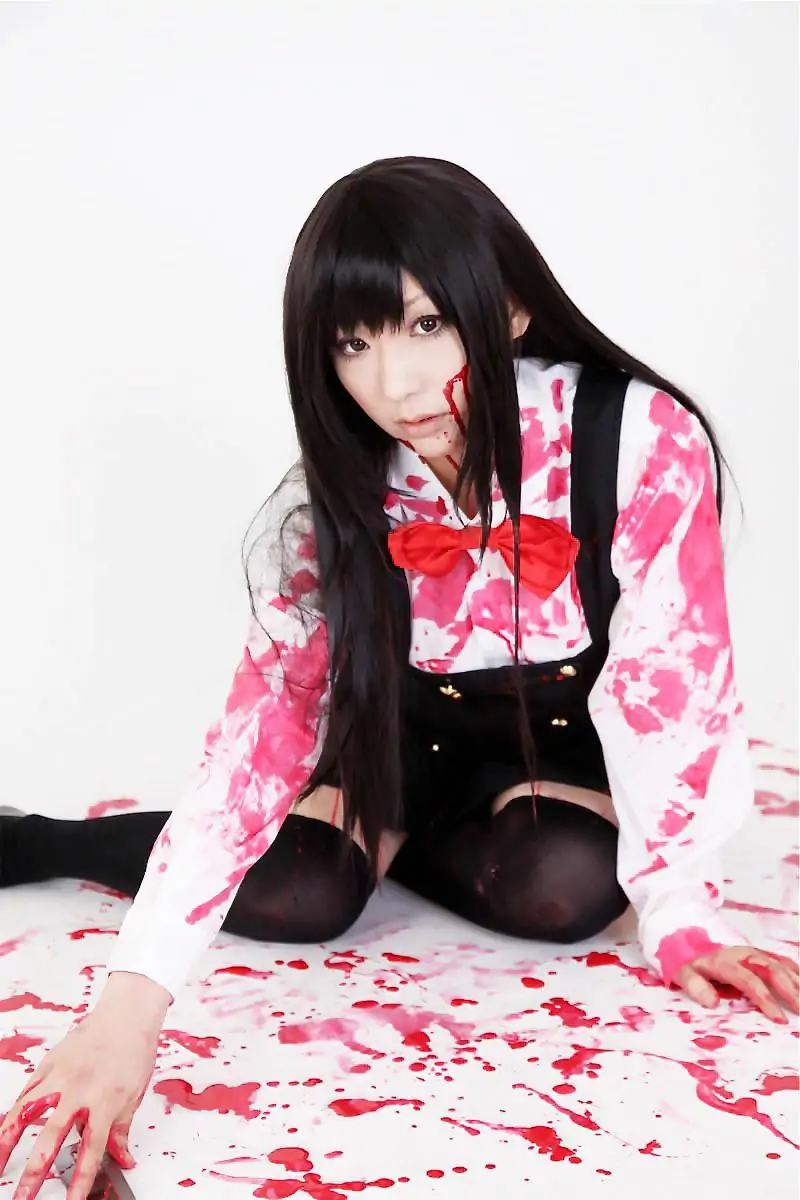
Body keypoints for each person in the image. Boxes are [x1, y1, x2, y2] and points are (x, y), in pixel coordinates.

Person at [1, 154, 797, 1200]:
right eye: (353, 343)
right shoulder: (326, 505)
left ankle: (367, 850)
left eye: (426, 325)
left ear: (509, 309)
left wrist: (681, 906)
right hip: (394, 743)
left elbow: (667, 685)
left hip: (554, 751)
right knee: (303, 893)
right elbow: (256, 748)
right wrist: (124, 1015)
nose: (394, 384)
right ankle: (39, 839)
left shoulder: (635, 440)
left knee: (568, 888)